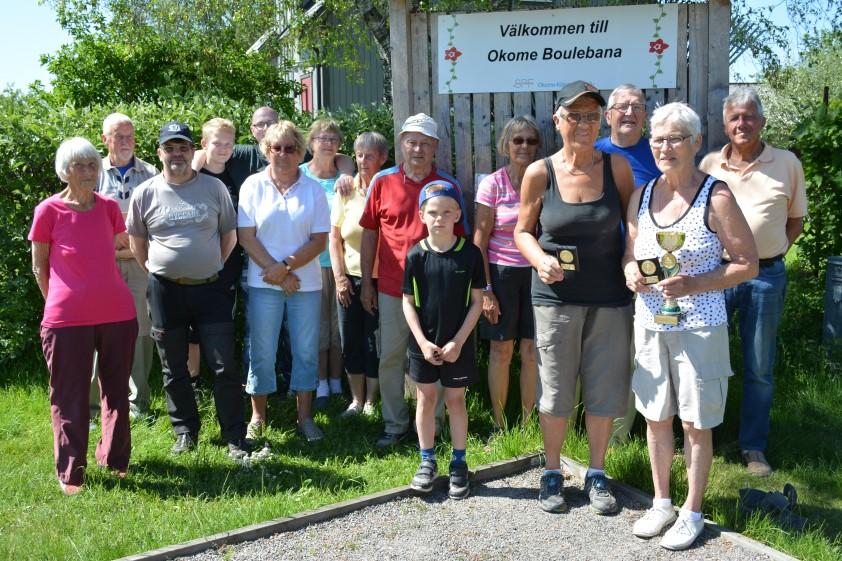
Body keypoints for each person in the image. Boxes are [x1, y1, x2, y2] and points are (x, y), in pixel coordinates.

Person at [623, 102, 757, 550]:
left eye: (675, 138)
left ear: (696, 143)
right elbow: (630, 253)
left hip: (700, 325)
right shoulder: (642, 195)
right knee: (656, 415)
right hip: (650, 322)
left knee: (696, 423)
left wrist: (695, 283)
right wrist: (630, 273)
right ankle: (661, 502)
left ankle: (692, 511)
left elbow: (747, 264)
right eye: (658, 139)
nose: (664, 147)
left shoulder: (715, 195)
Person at [514, 81, 635, 515]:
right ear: (558, 120)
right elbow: (522, 231)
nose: (584, 123)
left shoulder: (617, 167)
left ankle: (597, 474)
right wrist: (538, 260)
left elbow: (633, 223)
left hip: (610, 299)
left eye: (591, 115)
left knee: (605, 388)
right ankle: (551, 472)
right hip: (554, 298)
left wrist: (630, 259)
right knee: (556, 389)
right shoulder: (540, 172)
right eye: (575, 115)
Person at [700, 88, 807, 477]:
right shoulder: (710, 164)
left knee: (759, 365)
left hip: (765, 275)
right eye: (734, 118)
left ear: (762, 121)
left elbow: (795, 219)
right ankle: (699, 436)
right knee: (704, 356)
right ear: (725, 125)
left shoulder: (787, 163)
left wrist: (772, 250)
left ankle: (753, 446)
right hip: (718, 274)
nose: (741, 124)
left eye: (748, 116)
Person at [127, 121, 248, 459]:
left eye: (183, 147)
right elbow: (137, 242)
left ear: (193, 150)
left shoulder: (214, 189)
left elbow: (230, 236)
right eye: (170, 147)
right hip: (166, 292)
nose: (177, 153)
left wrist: (211, 265)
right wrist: (155, 269)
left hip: (211, 290)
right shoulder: (145, 192)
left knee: (223, 365)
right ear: (159, 152)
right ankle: (185, 431)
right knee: (173, 366)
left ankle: (234, 436)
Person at [30, 137, 138, 494]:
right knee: (68, 394)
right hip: (66, 319)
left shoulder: (108, 208)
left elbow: (124, 249)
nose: (90, 171)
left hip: (118, 314)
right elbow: (38, 266)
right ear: (65, 170)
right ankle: (72, 472)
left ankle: (116, 459)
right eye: (81, 165)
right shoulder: (48, 210)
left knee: (117, 392)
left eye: (93, 164)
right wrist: (58, 301)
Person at [360, 113, 470, 449]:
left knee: (435, 356)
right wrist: (367, 282)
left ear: (435, 147)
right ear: (401, 144)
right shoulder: (382, 181)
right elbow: (369, 234)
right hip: (394, 288)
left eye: (425, 142)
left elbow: (462, 241)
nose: (417, 148)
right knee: (391, 357)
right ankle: (395, 425)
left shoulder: (447, 187)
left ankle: (432, 425)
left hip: (438, 293)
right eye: (411, 141)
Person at [238, 121, 330, 443]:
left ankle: (304, 417)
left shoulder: (314, 190)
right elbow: (245, 236)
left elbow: (319, 240)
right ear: (266, 150)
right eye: (276, 147)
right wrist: (277, 272)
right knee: (261, 351)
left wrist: (287, 268)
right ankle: (258, 417)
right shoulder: (252, 186)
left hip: (304, 284)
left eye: (290, 148)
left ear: (300, 152)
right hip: (264, 282)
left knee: (306, 352)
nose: (283, 154)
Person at [403, 181, 484, 499]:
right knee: (425, 400)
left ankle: (459, 463)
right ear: (422, 215)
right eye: (433, 212)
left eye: (447, 212)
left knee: (455, 401)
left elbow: (477, 302)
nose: (440, 218)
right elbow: (407, 302)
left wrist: (459, 342)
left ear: (457, 215)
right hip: (424, 344)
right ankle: (427, 460)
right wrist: (422, 342)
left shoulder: (470, 254)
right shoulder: (415, 255)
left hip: (457, 344)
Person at [473, 116, 539, 432]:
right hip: (500, 275)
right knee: (501, 350)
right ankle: (499, 425)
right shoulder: (492, 184)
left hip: (538, 275)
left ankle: (528, 424)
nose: (524, 146)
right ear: (506, 145)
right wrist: (485, 290)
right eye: (518, 140)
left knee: (531, 351)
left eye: (530, 140)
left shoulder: (545, 181)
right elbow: (480, 239)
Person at [91, 113, 158, 421]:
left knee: (140, 331)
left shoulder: (151, 172)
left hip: (139, 264)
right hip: (99, 265)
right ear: (105, 139)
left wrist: (130, 250)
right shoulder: (92, 172)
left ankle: (138, 403)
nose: (125, 142)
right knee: (94, 331)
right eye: (118, 136)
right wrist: (111, 249)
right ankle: (92, 407)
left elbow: (157, 222)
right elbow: (84, 220)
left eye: (130, 136)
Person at [329, 132, 388, 416]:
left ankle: (371, 401)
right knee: (350, 338)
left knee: (374, 341)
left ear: (383, 159)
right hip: (349, 277)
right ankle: (355, 399)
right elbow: (334, 237)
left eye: (370, 156)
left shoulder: (387, 188)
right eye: (360, 155)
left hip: (381, 278)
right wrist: (340, 278)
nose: (364, 161)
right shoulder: (346, 190)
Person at [185, 118, 242, 387]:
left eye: (228, 143)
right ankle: (193, 380)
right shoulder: (191, 175)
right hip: (193, 263)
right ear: (204, 144)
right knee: (191, 325)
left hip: (227, 264)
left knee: (220, 322)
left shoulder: (236, 173)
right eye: (217, 143)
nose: (223, 148)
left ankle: (221, 377)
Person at [301, 119, 345, 409]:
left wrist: (348, 170)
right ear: (311, 143)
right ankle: (318, 385)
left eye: (332, 139)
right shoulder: (300, 175)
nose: (327, 143)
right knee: (316, 327)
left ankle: (336, 381)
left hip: (341, 263)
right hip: (309, 262)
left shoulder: (345, 177)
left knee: (337, 326)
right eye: (321, 138)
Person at [595, 84, 661, 188]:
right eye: (622, 107)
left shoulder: (659, 153)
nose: (630, 112)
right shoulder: (593, 152)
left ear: (645, 116)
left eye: (637, 107)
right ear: (608, 116)